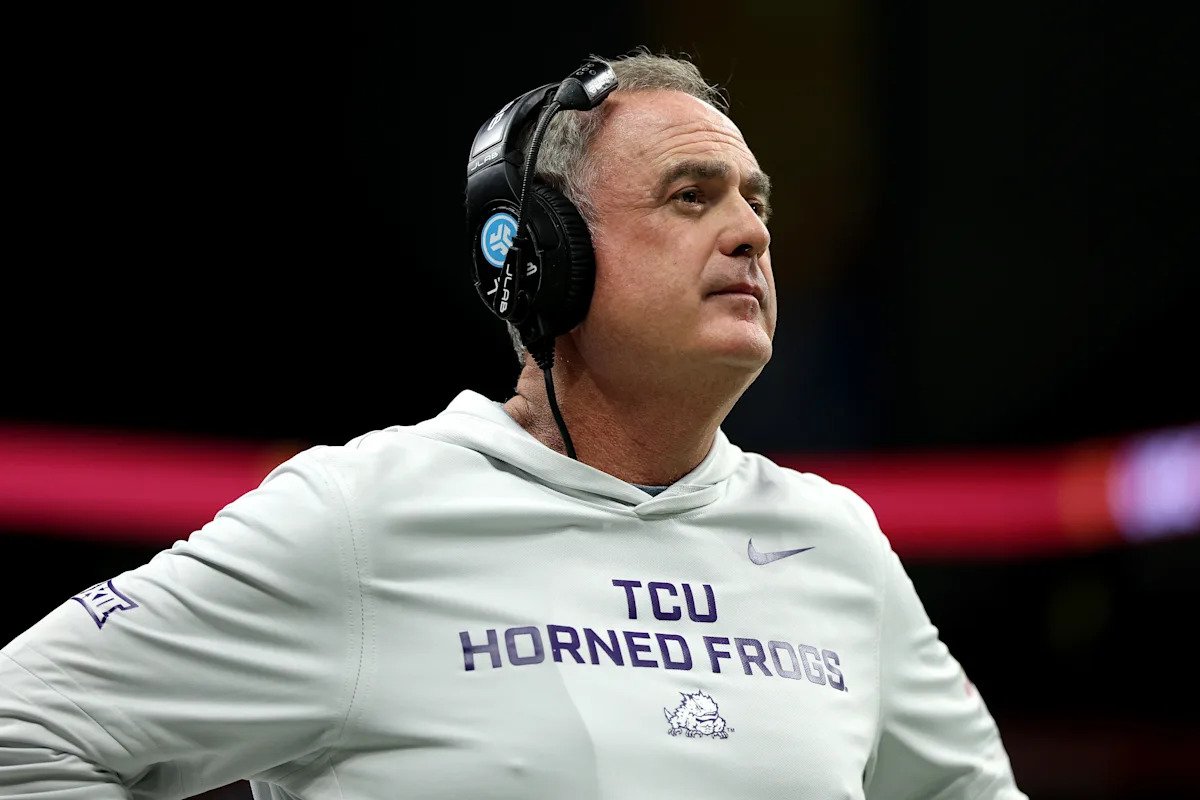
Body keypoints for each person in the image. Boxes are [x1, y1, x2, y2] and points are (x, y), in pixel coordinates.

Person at [0, 48, 1027, 799]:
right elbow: (23, 726)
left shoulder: (835, 542)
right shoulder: (362, 517)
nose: (750, 233)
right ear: (543, 257)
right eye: (690, 195)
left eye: (756, 203)